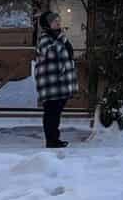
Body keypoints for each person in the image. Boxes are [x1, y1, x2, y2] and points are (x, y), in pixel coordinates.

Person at [34, 11, 77, 149]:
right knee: (51, 112)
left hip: (60, 82)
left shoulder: (59, 37)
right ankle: (51, 140)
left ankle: (55, 139)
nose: (58, 23)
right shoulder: (45, 38)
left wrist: (62, 40)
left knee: (56, 112)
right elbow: (55, 54)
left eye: (58, 20)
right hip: (50, 82)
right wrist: (61, 40)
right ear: (47, 24)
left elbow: (68, 53)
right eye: (54, 21)